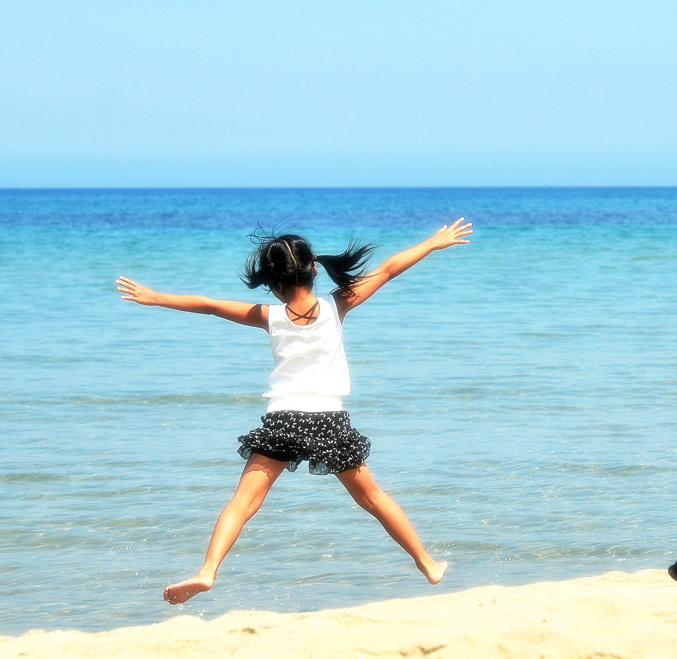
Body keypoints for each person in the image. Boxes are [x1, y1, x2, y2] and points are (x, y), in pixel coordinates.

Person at [115, 218, 472, 604]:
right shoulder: (338, 304)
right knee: (373, 499)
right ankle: (427, 564)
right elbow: (388, 268)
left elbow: (212, 306)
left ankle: (207, 571)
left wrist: (155, 297)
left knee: (244, 501)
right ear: (314, 269)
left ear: (273, 281)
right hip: (328, 420)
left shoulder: (270, 315)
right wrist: (433, 243)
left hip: (283, 419)